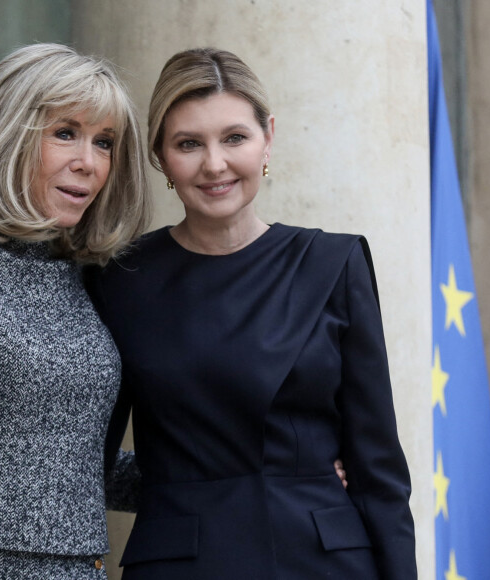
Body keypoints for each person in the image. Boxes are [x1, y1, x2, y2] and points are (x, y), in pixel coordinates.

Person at [86, 47, 417, 579]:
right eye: (188, 144)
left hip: (327, 563)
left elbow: (380, 471)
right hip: (182, 564)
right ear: (160, 157)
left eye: (234, 138)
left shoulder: (334, 263)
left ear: (268, 137)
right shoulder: (119, 279)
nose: (214, 164)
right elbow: (82, 457)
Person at [0, 43, 151, 579]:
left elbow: (69, 466)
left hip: (75, 567)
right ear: (5, 132)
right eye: (65, 132)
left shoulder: (85, 279)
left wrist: (266, 468)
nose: (88, 163)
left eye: (105, 142)